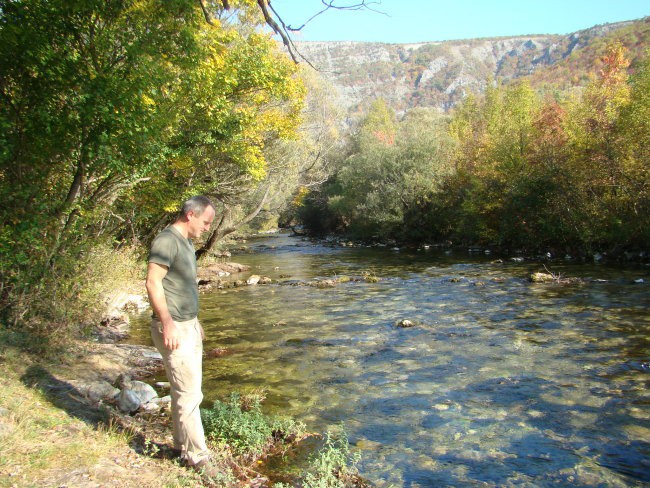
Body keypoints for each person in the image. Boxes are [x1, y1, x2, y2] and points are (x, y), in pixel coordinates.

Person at [145, 195, 217, 476]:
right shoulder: (166, 241)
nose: (208, 227)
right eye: (206, 221)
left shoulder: (186, 243)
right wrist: (168, 323)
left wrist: (194, 320)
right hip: (173, 328)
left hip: (187, 326)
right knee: (189, 394)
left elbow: (182, 286)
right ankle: (198, 458)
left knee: (185, 392)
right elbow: (153, 282)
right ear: (191, 215)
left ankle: (182, 446)